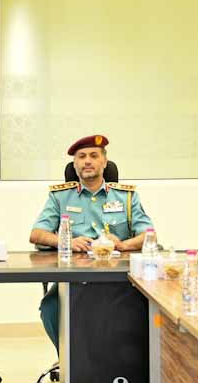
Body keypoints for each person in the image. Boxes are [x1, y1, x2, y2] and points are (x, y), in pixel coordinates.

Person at [30, 134, 154, 350]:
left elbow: (149, 235)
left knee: (142, 308)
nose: (87, 161)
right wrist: (66, 241)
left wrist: (123, 245)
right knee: (51, 308)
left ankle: (117, 362)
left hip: (118, 280)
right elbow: (37, 234)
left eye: (94, 156)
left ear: (104, 163)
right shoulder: (60, 197)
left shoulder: (126, 197)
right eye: (81, 156)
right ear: (74, 164)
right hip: (73, 280)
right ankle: (70, 360)